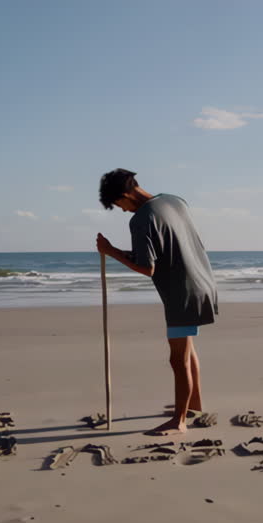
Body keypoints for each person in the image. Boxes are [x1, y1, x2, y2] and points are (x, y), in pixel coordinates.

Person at [95, 168, 219, 436]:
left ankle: (179, 421)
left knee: (178, 359)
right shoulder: (175, 201)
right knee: (187, 348)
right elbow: (162, 251)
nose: (124, 211)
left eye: (119, 205)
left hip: (182, 293)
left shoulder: (141, 219)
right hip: (203, 283)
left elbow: (146, 267)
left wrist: (111, 251)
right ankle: (194, 402)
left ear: (126, 194)